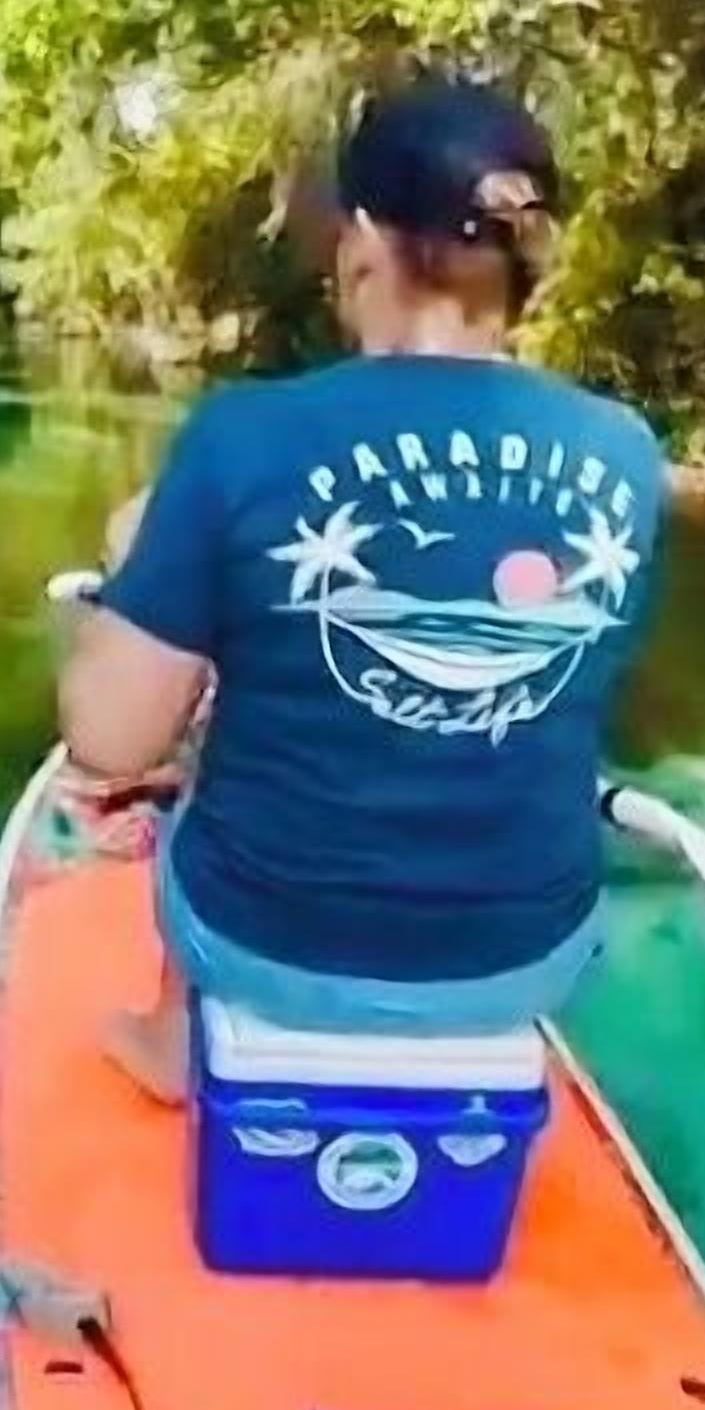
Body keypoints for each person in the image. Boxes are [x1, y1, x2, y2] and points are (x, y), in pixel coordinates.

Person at [61, 75, 668, 1098]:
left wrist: (137, 571)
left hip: (263, 947)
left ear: (363, 246)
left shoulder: (240, 435)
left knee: (195, 780)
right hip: (531, 960)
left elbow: (109, 742)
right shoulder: (625, 453)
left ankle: (173, 1045)